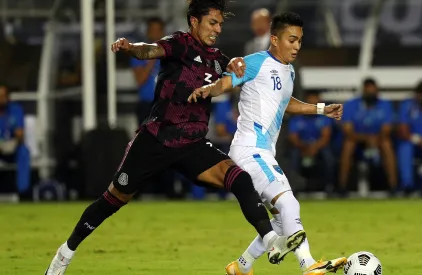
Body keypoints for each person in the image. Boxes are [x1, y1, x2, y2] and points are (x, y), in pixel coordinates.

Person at [44, 1, 305, 274]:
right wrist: (131, 47)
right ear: (194, 21)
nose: (217, 29)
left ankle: (271, 239)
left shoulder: (217, 59)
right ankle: (65, 253)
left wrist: (237, 62)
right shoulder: (180, 43)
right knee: (112, 200)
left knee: (239, 177)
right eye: (212, 23)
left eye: (220, 24)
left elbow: (234, 71)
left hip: (191, 144)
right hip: (156, 139)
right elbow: (151, 49)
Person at [188, 12, 346, 275]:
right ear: (274, 39)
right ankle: (308, 265)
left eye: (300, 41)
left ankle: (241, 266)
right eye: (291, 40)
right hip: (251, 150)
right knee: (289, 204)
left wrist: (321, 109)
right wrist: (209, 89)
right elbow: (226, 83)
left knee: (283, 223)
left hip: (261, 151)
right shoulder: (256, 62)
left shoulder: (289, 71)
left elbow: (286, 103)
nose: (296, 46)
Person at [339, 78, 397, 196]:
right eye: (368, 91)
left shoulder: (384, 105)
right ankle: (342, 186)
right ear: (363, 91)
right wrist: (366, 139)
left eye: (373, 91)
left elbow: (386, 129)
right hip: (357, 141)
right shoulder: (352, 105)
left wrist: (374, 140)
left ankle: (394, 186)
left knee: (387, 144)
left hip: (378, 140)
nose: (371, 94)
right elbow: (348, 130)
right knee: (348, 144)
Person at [288, 91, 335, 192]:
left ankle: (329, 187)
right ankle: (292, 188)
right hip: (301, 147)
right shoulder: (296, 118)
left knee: (329, 157)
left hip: (319, 146)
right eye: (310, 102)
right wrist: (304, 148)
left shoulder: (323, 118)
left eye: (316, 102)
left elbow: (326, 137)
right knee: (293, 157)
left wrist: (314, 148)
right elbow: (293, 138)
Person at [131, 17, 165, 125]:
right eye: (152, 30)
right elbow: (140, 80)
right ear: (147, 32)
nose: (155, 34)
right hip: (147, 105)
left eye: (158, 30)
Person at [0, 84, 30, 195]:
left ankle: (23, 192)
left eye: (3, 96)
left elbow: (20, 134)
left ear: (7, 97)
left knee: (24, 152)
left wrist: (16, 139)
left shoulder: (15, 110)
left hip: (12, 147)